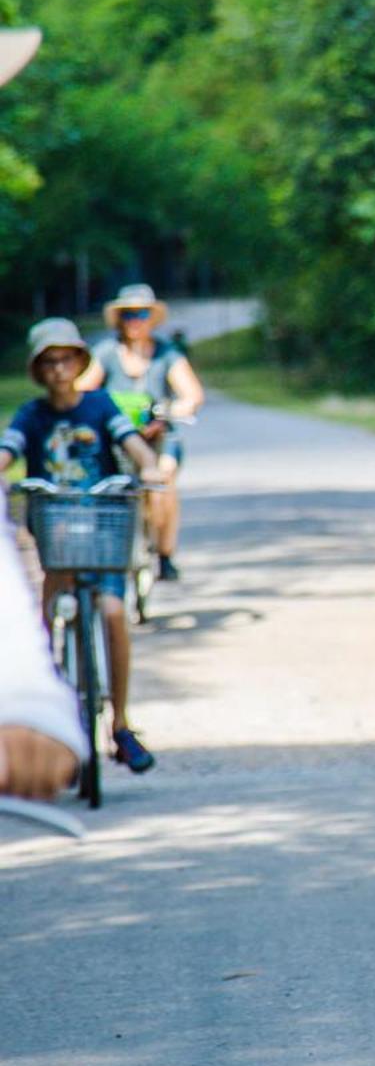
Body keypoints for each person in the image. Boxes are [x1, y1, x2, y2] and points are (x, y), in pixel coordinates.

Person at [0, 318, 163, 773]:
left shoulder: (100, 405)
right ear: (39, 370)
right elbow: (8, 450)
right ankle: (50, 712)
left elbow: (131, 443)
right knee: (47, 614)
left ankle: (121, 724)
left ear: (78, 362)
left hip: (103, 527)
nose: (58, 369)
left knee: (112, 612)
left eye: (66, 359)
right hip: (56, 531)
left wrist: (150, 466)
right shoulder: (32, 415)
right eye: (49, 362)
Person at [0, 27, 87, 801]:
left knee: (110, 602)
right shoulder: (29, 413)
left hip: (94, 512)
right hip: (54, 518)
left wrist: (28, 701)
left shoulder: (97, 404)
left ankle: (112, 716)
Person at [78, 283, 204, 581]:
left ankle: (165, 552)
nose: (135, 320)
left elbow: (192, 393)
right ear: (119, 319)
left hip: (158, 436)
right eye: (128, 314)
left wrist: (178, 409)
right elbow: (81, 389)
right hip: (116, 438)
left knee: (164, 480)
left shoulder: (165, 354)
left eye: (142, 313)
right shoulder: (107, 353)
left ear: (152, 317)